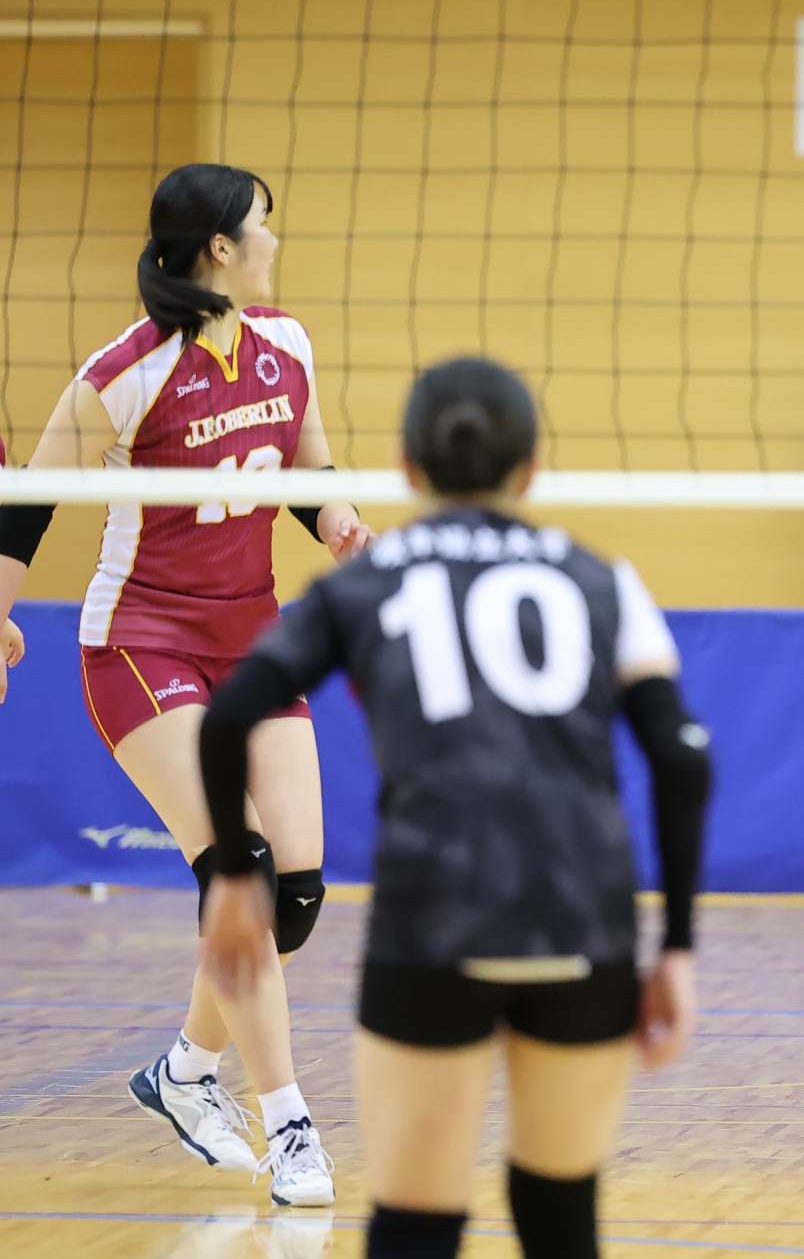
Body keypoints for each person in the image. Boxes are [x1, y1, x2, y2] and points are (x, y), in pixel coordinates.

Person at [194, 357, 711, 1259]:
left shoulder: (363, 583)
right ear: (532, 470)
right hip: (579, 918)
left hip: (432, 919)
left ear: (405, 467)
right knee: (560, 1215)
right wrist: (675, 946)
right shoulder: (604, 580)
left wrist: (238, 880)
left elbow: (229, 716)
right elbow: (682, 759)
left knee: (415, 1225)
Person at [0, 163, 370, 1205]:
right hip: (140, 646)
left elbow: (305, 471)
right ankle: (289, 1121)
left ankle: (184, 1070)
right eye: (263, 227)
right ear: (218, 248)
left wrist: (338, 523)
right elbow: (26, 500)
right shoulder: (123, 373)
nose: (274, 242)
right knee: (239, 867)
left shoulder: (287, 345)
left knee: (294, 894)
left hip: (254, 643)